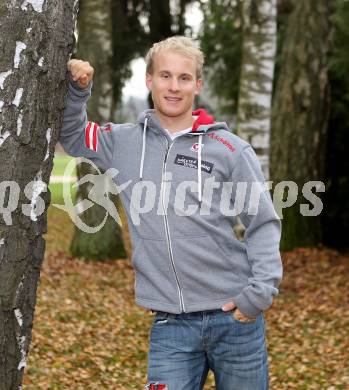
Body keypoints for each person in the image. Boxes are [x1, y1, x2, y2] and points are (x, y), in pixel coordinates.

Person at [59, 36, 283, 390]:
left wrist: (259, 294)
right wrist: (77, 90)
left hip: (235, 320)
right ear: (149, 80)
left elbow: (263, 221)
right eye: (165, 76)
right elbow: (72, 135)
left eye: (183, 78)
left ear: (198, 84)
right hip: (171, 327)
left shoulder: (229, 149)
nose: (173, 86)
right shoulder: (122, 142)